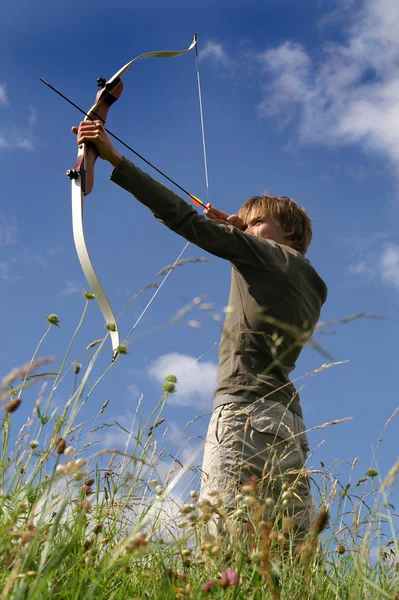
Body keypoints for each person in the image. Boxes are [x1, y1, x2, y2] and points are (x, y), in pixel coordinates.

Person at [72, 121, 328, 539]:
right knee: (288, 549)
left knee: (224, 542)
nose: (245, 229)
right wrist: (242, 227)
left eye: (254, 223)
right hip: (288, 425)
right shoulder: (312, 280)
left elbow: (185, 220)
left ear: (290, 232)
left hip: (245, 413)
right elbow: (260, 256)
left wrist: (115, 159)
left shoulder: (261, 255)